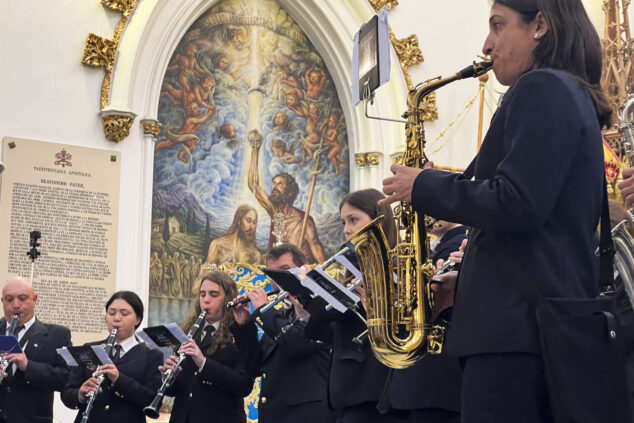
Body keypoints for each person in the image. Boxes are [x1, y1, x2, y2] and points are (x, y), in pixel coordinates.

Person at [380, 1, 610, 421]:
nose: (487, 45)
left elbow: (517, 202)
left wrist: (424, 185)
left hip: (517, 335)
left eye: (497, 26)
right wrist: (466, 283)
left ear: (540, 25)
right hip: (529, 328)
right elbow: (533, 223)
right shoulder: (567, 91)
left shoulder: (542, 87)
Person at [335, 189, 462, 423]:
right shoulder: (430, 247)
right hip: (403, 386)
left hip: (434, 384)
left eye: (353, 220)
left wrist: (380, 308)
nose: (347, 229)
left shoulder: (458, 244)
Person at [162, 271, 259, 423]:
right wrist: (169, 378)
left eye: (213, 295)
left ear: (227, 299)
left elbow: (243, 385)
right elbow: (181, 389)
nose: (206, 300)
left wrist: (203, 363)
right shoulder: (188, 333)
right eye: (202, 294)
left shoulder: (241, 331)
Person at [61, 291, 163, 423]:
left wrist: (119, 379)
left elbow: (152, 400)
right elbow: (67, 393)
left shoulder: (151, 355)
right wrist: (80, 394)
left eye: (124, 313)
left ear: (138, 319)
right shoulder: (90, 349)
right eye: (111, 313)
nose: (117, 318)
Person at [0, 277, 71, 423]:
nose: (15, 305)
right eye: (9, 299)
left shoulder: (57, 335)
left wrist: (28, 366)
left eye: (22, 298)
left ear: (34, 299)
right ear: (2, 301)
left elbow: (67, 378)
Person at [248, 131, 326, 263]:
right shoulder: (275, 211)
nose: (274, 187)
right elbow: (253, 185)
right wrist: (255, 150)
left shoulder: (303, 220)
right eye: (273, 184)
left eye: (279, 184)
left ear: (290, 190)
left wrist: (326, 275)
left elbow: (316, 247)